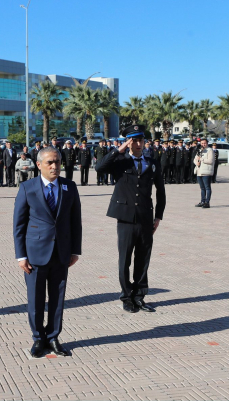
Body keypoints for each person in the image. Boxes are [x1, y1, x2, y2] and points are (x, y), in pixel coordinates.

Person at [13, 146, 82, 358]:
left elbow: (75, 221)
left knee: (57, 298)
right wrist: (21, 255)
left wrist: (75, 250)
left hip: (61, 253)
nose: (54, 166)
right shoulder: (28, 188)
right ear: (39, 165)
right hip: (35, 254)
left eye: (57, 162)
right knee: (35, 299)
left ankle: (53, 337)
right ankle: (37, 339)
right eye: (50, 162)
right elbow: (19, 224)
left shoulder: (69, 187)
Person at [95, 125, 166, 314]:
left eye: (140, 140)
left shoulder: (152, 162)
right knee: (125, 259)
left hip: (145, 218)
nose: (137, 144)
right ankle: (126, 297)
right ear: (128, 142)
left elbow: (161, 191)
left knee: (143, 259)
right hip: (126, 218)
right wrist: (118, 150)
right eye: (133, 140)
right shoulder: (120, 161)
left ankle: (139, 296)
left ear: (144, 141)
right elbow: (99, 167)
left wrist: (158, 216)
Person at [194, 139, 215, 208]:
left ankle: (207, 202)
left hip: (206, 172)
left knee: (207, 187)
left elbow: (210, 161)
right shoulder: (199, 150)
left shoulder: (210, 150)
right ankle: (202, 201)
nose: (203, 144)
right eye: (202, 143)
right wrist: (196, 162)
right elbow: (195, 159)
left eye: (204, 143)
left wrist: (201, 159)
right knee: (202, 188)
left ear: (207, 143)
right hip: (199, 171)